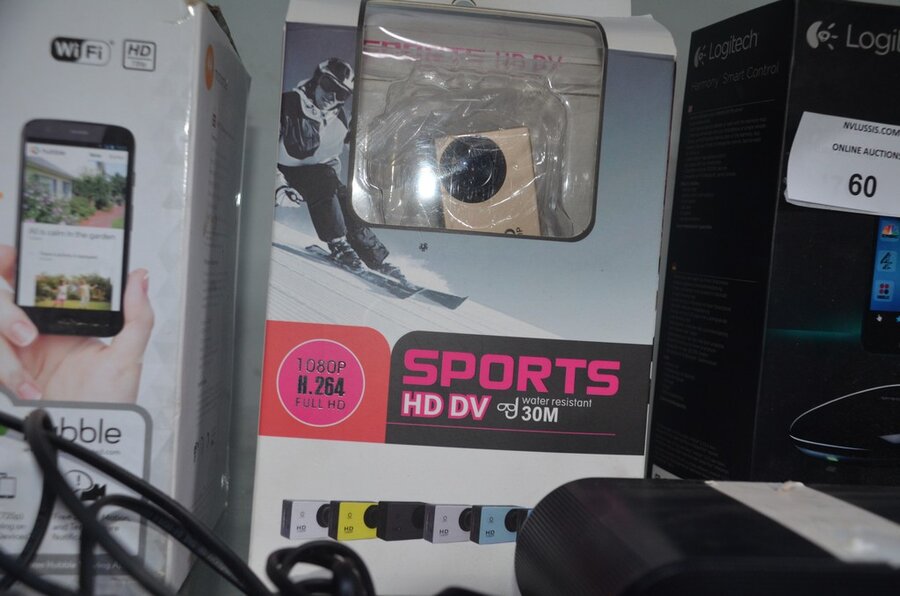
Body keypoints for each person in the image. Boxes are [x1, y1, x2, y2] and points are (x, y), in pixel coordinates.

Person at [275, 58, 405, 280]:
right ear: (317, 80)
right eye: (328, 85)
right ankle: (338, 245)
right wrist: (278, 187)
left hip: (315, 178)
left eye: (341, 94)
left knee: (345, 197)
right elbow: (262, 149)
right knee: (323, 178)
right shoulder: (287, 104)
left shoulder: (340, 119)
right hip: (279, 175)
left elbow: (356, 145)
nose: (332, 96)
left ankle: (376, 260)